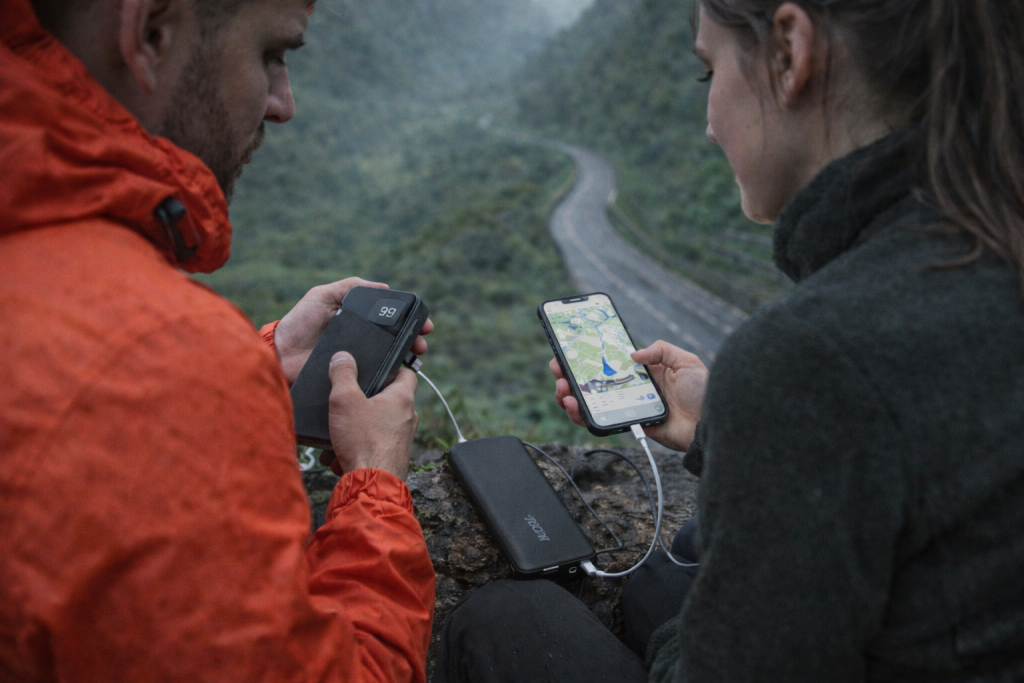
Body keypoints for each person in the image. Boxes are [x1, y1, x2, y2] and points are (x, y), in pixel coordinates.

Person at [434, 1, 1024, 681]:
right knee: (662, 577)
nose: (711, 122)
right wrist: (728, 422)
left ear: (789, 51)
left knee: (507, 622)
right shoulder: (985, 241)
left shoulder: (813, 354)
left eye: (707, 70)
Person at [0, 0, 437, 680]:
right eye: (271, 53)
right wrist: (375, 480)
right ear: (150, 32)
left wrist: (262, 368)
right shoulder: (164, 362)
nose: (282, 103)